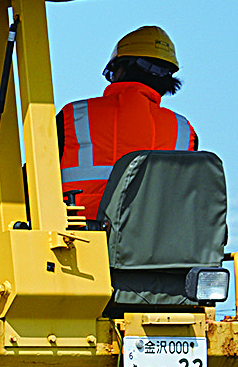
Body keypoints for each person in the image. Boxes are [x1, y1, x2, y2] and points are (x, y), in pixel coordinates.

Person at [58, 25, 198, 221]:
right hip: (156, 248)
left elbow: (33, 176)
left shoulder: (73, 116)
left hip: (78, 242)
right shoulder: (184, 131)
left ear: (120, 69)